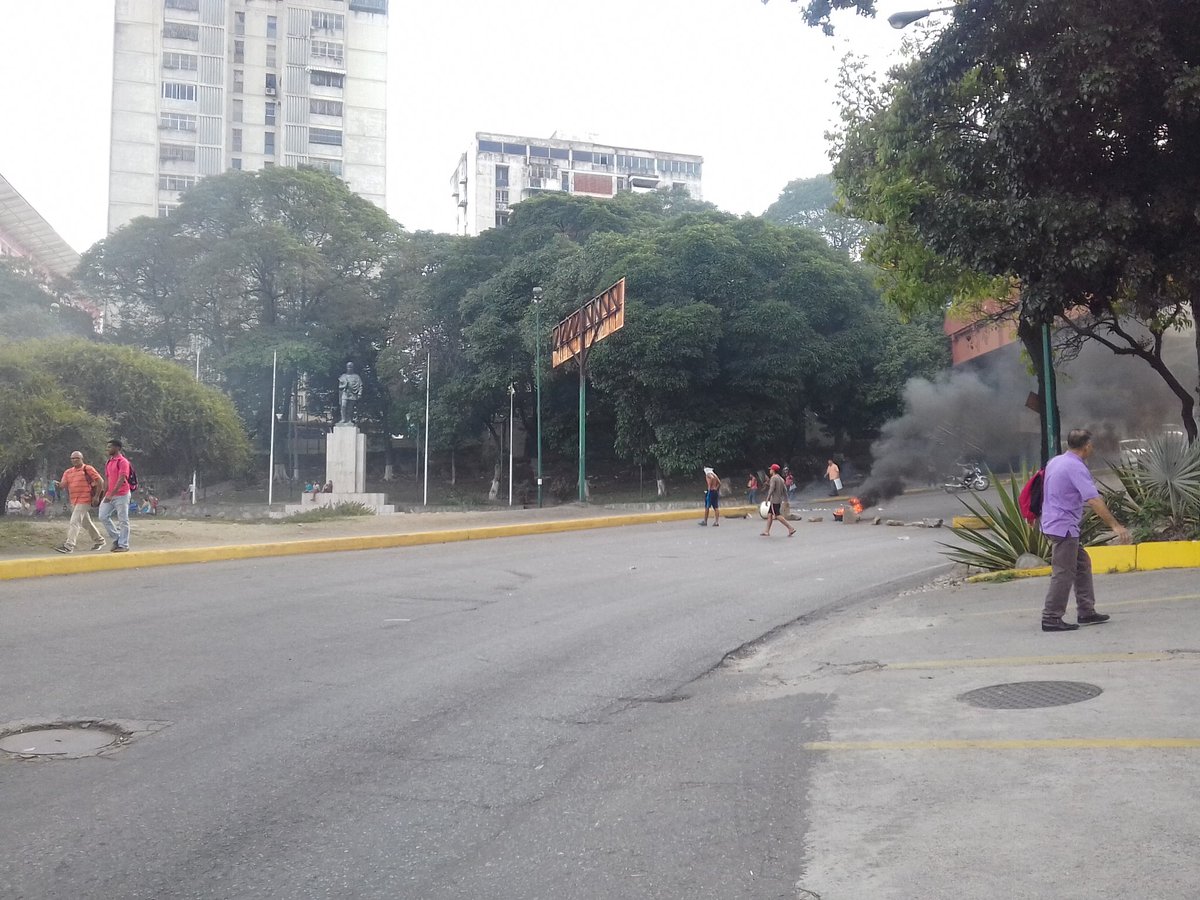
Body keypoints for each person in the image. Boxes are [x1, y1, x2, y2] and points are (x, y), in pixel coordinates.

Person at [1040, 428, 1131, 632]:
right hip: (1063, 527)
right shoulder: (1075, 467)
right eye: (1092, 445)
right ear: (1087, 446)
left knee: (1081, 564)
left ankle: (1086, 611)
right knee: (1063, 573)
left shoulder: (1056, 461)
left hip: (1054, 522)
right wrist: (1115, 525)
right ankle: (1051, 617)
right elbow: (1093, 499)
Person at [53, 451, 107, 554]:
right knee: (86, 523)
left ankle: (69, 546)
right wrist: (58, 485)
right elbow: (63, 485)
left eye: (77, 458)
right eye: (72, 458)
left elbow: (100, 481)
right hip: (74, 500)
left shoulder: (87, 469)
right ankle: (99, 541)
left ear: (82, 458)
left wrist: (96, 496)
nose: (74, 460)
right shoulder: (68, 472)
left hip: (85, 499)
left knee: (74, 522)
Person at [98, 439, 133, 552]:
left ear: (117, 448)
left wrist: (112, 494)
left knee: (123, 520)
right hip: (110, 495)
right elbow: (107, 479)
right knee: (102, 516)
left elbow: (122, 479)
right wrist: (104, 494)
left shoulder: (123, 461)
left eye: (110, 447)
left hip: (122, 494)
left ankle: (124, 545)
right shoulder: (109, 462)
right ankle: (117, 538)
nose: (108, 449)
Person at [761, 464, 796, 537]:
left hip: (774, 500)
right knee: (770, 514)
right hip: (779, 500)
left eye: (770, 469)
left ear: (773, 470)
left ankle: (790, 528)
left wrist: (767, 499)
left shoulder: (773, 478)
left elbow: (771, 489)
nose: (770, 471)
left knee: (777, 515)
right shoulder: (781, 479)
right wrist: (786, 500)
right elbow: (785, 490)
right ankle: (766, 531)